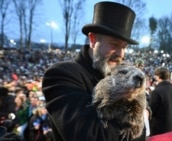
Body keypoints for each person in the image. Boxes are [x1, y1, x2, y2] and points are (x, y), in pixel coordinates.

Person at [42, 1, 146, 141]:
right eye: (114, 44)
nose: (121, 54)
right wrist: (138, 116)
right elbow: (92, 136)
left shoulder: (124, 74)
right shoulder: (62, 74)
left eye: (124, 47)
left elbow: (141, 130)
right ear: (92, 39)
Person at [149, 67, 172, 136]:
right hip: (171, 127)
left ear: (158, 76)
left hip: (158, 129)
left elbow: (151, 111)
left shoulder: (157, 91)